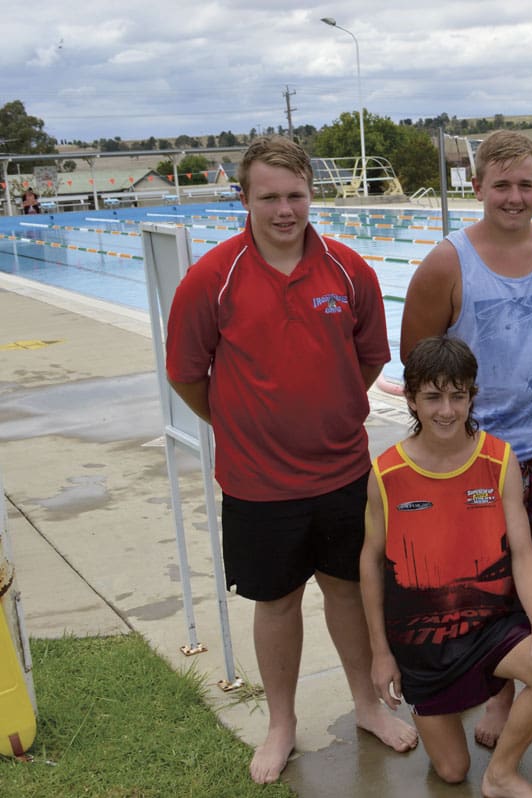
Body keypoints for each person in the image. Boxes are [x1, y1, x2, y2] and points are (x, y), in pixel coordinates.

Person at [165, 135, 417, 784]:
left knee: (347, 591)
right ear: (244, 198)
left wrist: (326, 410)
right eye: (269, 196)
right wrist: (238, 423)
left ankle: (365, 705)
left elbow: (368, 358)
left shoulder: (347, 270)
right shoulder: (211, 279)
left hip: (341, 472)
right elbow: (188, 375)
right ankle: (281, 723)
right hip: (257, 483)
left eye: (296, 196)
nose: (284, 209)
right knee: (274, 601)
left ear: (312, 195)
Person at [399, 129, 532, 744]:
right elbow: (420, 358)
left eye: (525, 185)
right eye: (502, 186)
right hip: (475, 453)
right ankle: (499, 691)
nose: (514, 197)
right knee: (488, 573)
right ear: (478, 187)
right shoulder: (448, 262)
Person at [360, 336, 532, 796]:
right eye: (433, 397)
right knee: (452, 770)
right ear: (412, 399)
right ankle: (445, 712)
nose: (446, 410)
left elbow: (523, 552)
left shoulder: (498, 461)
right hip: (423, 645)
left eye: (457, 396)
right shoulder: (386, 473)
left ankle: (501, 774)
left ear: (471, 397)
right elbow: (371, 563)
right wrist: (381, 654)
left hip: (492, 628)